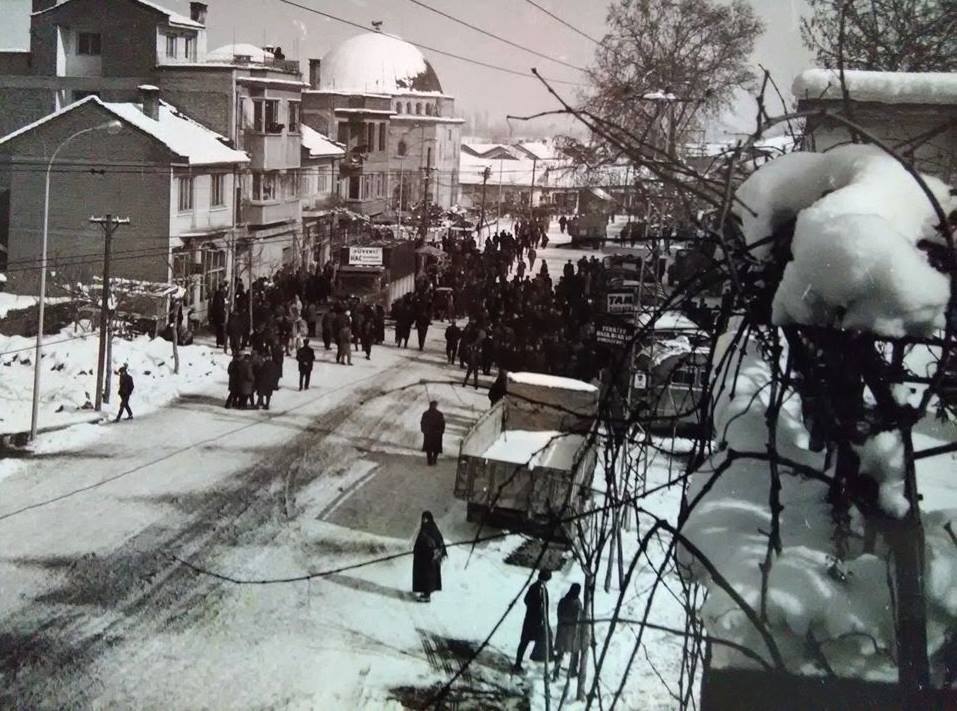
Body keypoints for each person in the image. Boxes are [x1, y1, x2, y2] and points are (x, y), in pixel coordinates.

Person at [514, 569, 552, 672]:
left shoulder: (543, 589)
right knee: (525, 641)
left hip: (539, 621)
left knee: (543, 639)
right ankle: (517, 664)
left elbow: (545, 606)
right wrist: (536, 607)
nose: (546, 582)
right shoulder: (534, 587)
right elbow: (526, 600)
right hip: (531, 620)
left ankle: (537, 659)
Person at [412, 511, 447, 602]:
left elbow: (439, 542)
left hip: (430, 559)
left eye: (426, 518)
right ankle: (425, 593)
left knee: (428, 577)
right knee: (423, 576)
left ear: (430, 519)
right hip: (424, 558)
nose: (424, 520)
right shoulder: (424, 528)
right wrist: (416, 550)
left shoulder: (432, 529)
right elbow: (420, 541)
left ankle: (427, 595)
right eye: (423, 518)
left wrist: (437, 553)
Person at [552, 583, 582, 680]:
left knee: (561, 652)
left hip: (563, 630)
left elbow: (559, 614)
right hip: (572, 632)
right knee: (575, 652)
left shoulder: (563, 601)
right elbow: (579, 618)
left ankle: (556, 673)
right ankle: (572, 671)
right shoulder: (577, 603)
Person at [420, 400, 445, 465]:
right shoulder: (426, 414)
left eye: (434, 405)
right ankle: (430, 460)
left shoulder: (439, 414)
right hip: (431, 433)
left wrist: (441, 431)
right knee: (430, 448)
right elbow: (423, 422)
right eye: (433, 405)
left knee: (435, 448)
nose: (433, 406)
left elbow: (442, 424)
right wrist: (424, 430)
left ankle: (434, 459)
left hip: (435, 433)